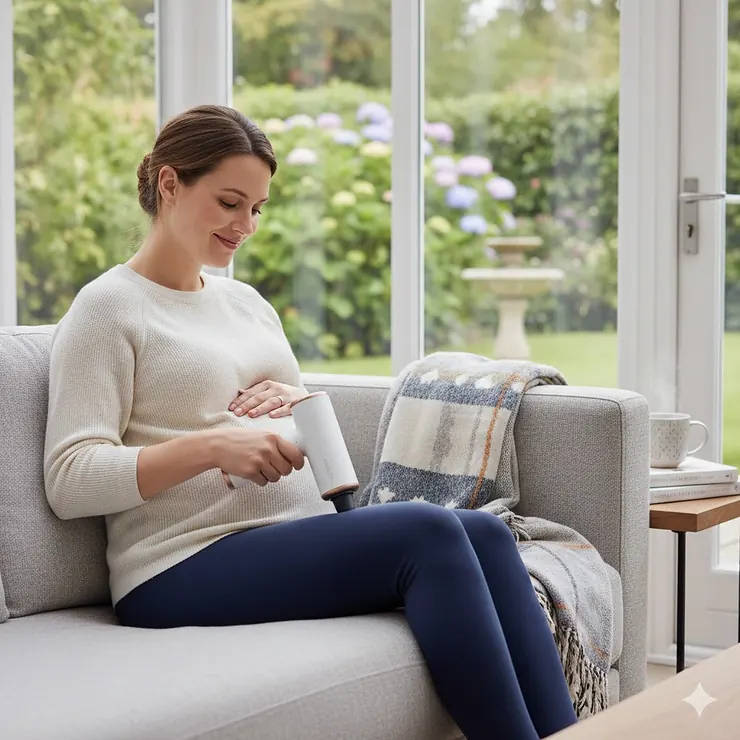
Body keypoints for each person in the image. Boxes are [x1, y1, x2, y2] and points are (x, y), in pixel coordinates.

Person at [43, 104, 578, 740]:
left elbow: (309, 439)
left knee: (486, 537)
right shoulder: (107, 308)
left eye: (257, 209)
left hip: (292, 529)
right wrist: (211, 447)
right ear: (169, 184)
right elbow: (69, 477)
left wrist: (298, 403)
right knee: (429, 532)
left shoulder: (246, 303)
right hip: (177, 565)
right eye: (229, 202)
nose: (245, 225)